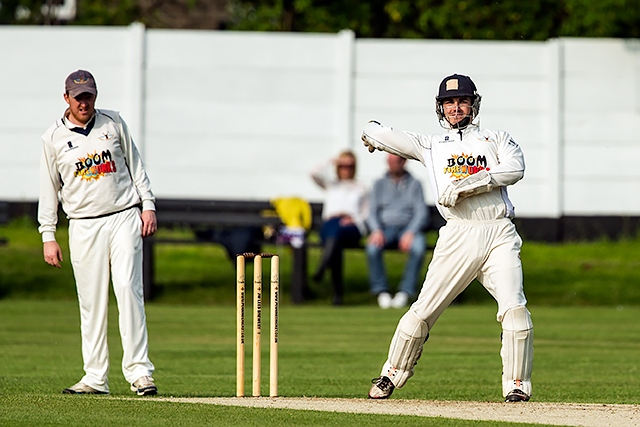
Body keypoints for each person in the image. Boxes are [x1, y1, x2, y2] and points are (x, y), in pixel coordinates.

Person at [361, 74, 533, 402]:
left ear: (473, 104)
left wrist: (469, 184)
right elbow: (375, 129)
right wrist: (373, 138)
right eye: (449, 102)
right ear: (441, 108)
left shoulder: (496, 139)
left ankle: (516, 385)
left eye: (462, 101)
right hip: (458, 234)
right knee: (425, 309)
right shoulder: (432, 146)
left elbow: (515, 168)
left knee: (515, 308)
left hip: (498, 232)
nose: (456, 108)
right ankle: (391, 374)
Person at [38, 70, 158, 396]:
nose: (84, 103)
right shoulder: (53, 138)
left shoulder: (113, 122)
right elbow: (49, 190)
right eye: (78, 98)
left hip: (122, 216)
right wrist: (48, 235)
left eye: (88, 96)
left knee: (127, 290)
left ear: (95, 96)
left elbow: (136, 166)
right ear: (66, 99)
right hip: (82, 223)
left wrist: (148, 204)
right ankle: (95, 377)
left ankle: (140, 373)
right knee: (91, 302)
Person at [366, 153, 428, 309]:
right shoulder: (379, 184)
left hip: (408, 228)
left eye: (395, 162)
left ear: (403, 162)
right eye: (390, 162)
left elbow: (421, 212)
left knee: (419, 248)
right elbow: (372, 212)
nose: (392, 165)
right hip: (385, 228)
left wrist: (411, 232)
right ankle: (381, 291)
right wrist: (376, 230)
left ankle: (405, 292)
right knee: (372, 248)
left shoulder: (415, 184)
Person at [311, 150, 369, 305]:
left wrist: (353, 218)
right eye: (342, 166)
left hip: (351, 227)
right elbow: (314, 173)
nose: (346, 169)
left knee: (335, 235)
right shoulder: (331, 184)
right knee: (334, 237)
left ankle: (323, 266)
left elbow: (366, 213)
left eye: (349, 166)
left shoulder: (361, 187)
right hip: (331, 224)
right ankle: (337, 294)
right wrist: (332, 161)